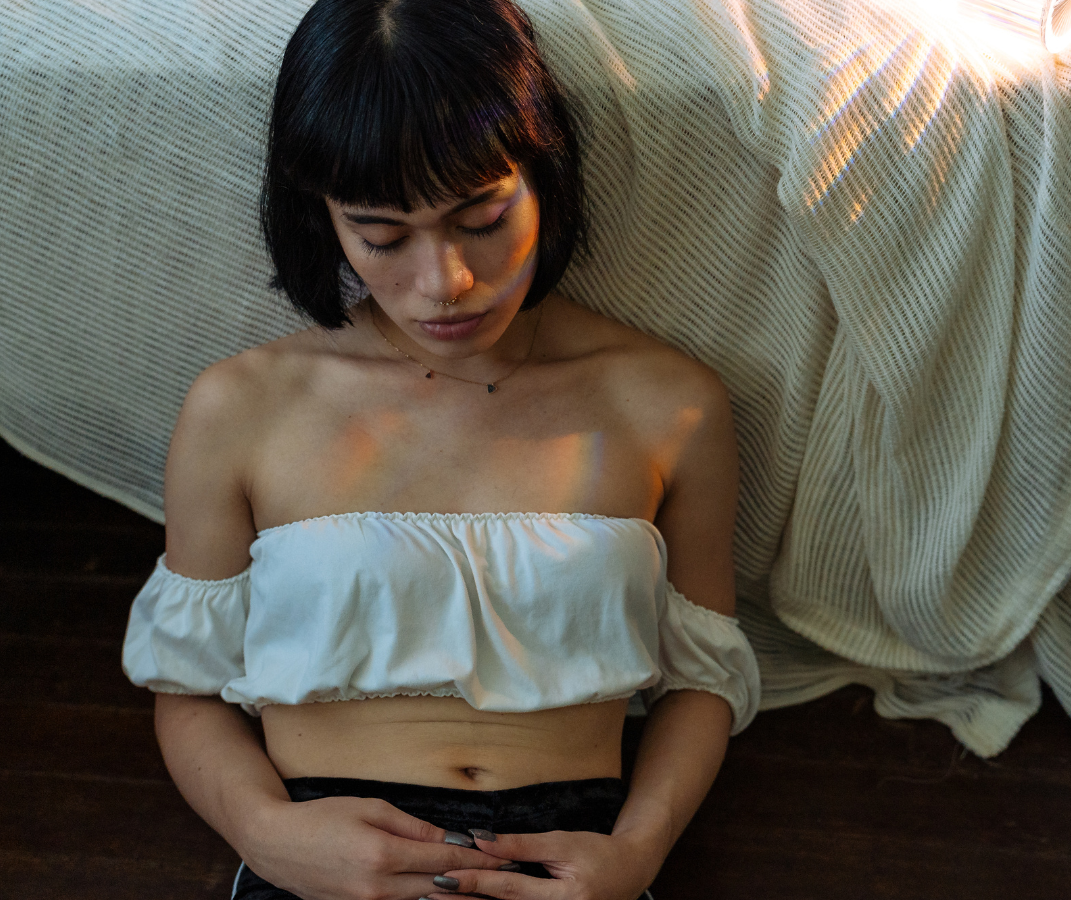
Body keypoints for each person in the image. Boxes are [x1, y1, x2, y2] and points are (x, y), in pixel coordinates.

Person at [120, 1, 760, 898]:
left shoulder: (666, 403)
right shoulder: (243, 407)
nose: (445, 283)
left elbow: (703, 681)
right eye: (381, 235)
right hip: (324, 854)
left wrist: (637, 853)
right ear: (326, 219)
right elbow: (185, 690)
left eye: (484, 219)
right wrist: (267, 834)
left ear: (541, 176)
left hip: (572, 865)